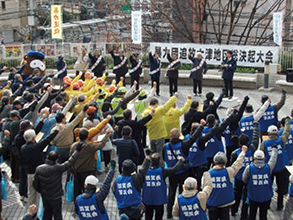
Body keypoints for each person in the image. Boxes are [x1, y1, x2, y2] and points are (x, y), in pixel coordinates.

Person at [33, 144, 83, 220]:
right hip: (56, 196)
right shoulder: (58, 168)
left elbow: (35, 184)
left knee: (47, 213)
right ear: (56, 160)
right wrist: (77, 151)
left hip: (45, 195)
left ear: (47, 157)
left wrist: (41, 191)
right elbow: (70, 162)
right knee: (57, 214)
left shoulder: (39, 169)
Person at [20, 128, 59, 206]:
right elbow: (47, 140)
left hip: (30, 173)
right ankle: (44, 208)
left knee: (31, 192)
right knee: (44, 191)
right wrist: (56, 131)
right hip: (41, 173)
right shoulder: (37, 147)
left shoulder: (23, 148)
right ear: (34, 138)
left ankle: (32, 210)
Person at [207, 146, 247, 220]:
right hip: (225, 203)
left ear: (214, 161)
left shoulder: (207, 174)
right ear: (225, 162)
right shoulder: (229, 171)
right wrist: (243, 153)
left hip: (212, 203)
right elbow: (237, 163)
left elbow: (204, 189)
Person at [70, 127, 111, 199]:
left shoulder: (74, 146)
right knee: (90, 188)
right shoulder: (90, 146)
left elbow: (71, 158)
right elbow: (101, 144)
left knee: (78, 189)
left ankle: (78, 203)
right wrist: (107, 135)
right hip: (89, 170)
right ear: (87, 136)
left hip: (77, 170)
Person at [259, 118, 290, 211]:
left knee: (268, 187)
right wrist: (287, 122)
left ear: (268, 133)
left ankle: (267, 204)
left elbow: (261, 154)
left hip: (270, 169)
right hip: (281, 168)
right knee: (281, 188)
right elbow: (286, 132)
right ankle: (280, 205)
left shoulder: (265, 143)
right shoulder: (281, 141)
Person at [230, 122, 260, 219]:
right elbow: (256, 137)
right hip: (249, 178)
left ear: (239, 143)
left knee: (237, 194)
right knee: (247, 196)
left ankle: (234, 210)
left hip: (238, 178)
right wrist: (255, 126)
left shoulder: (235, 153)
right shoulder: (252, 149)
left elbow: (232, 165)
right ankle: (243, 215)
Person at [142, 153, 184, 220]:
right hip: (159, 199)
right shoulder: (162, 171)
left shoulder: (144, 171)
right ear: (159, 161)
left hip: (147, 199)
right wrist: (180, 161)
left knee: (148, 216)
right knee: (159, 216)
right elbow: (174, 170)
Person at [113, 149, 152, 220]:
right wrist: (147, 157)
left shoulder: (116, 181)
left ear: (122, 169)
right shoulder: (136, 178)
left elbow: (115, 192)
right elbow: (143, 170)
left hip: (123, 209)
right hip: (135, 209)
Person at [242, 148, 278, 220]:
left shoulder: (249, 168)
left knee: (252, 214)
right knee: (263, 215)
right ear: (264, 158)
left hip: (253, 196)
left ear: (254, 158)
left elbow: (244, 179)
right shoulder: (268, 167)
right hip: (265, 197)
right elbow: (273, 159)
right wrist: (274, 150)